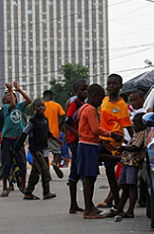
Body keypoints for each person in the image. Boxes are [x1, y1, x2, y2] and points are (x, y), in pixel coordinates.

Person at [76, 84, 123, 219]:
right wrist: (111, 135)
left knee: (90, 177)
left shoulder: (83, 108)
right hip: (88, 145)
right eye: (101, 99)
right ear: (94, 96)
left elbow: (90, 130)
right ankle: (88, 210)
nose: (101, 102)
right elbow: (96, 129)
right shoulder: (90, 109)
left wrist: (102, 140)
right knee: (89, 178)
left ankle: (90, 207)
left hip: (87, 144)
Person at [98, 74, 133, 209]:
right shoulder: (105, 100)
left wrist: (134, 140)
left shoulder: (121, 105)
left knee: (95, 154)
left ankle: (120, 158)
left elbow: (127, 125)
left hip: (114, 139)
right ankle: (116, 203)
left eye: (115, 84)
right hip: (103, 137)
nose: (112, 86)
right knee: (109, 172)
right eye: (109, 83)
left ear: (120, 86)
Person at [14, 99, 60, 200]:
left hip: (44, 148)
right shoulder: (33, 121)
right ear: (34, 108)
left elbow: (48, 133)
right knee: (44, 170)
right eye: (38, 106)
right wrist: (16, 148)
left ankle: (28, 193)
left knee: (35, 172)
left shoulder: (45, 120)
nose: (41, 108)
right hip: (35, 149)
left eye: (42, 106)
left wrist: (57, 140)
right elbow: (24, 133)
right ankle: (46, 192)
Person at [0, 82, 31, 197]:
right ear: (4, 101)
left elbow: (28, 100)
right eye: (7, 96)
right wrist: (10, 90)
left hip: (18, 139)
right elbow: (12, 104)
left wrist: (19, 90)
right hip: (7, 139)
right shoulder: (6, 108)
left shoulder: (19, 107)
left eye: (11, 95)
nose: (10, 96)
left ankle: (24, 187)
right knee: (6, 163)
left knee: (22, 164)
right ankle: (5, 187)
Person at [107, 113, 146, 219]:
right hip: (126, 162)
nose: (133, 126)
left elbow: (135, 147)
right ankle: (120, 209)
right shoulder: (136, 133)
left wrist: (123, 148)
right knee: (124, 186)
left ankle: (130, 211)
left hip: (132, 164)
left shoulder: (141, 134)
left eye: (136, 124)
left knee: (131, 186)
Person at [64, 79, 88, 214]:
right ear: (75, 91)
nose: (85, 91)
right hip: (76, 141)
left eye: (86, 89)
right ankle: (85, 205)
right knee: (82, 170)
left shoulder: (84, 104)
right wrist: (78, 135)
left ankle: (74, 205)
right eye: (82, 90)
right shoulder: (75, 104)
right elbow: (67, 123)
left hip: (80, 140)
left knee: (75, 170)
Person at [43, 90, 66, 178]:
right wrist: (59, 126)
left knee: (45, 155)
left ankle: (46, 175)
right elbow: (64, 116)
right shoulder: (56, 105)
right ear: (51, 96)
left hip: (43, 135)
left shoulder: (41, 106)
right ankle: (55, 163)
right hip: (54, 134)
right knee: (57, 152)